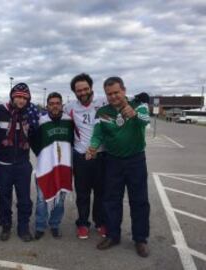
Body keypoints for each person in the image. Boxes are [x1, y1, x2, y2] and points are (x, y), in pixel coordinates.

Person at [87, 76, 150, 257]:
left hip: (136, 160)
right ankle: (113, 235)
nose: (113, 96)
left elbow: (146, 120)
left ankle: (140, 239)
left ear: (124, 90)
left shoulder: (138, 105)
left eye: (116, 92)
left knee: (139, 200)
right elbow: (98, 134)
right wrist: (92, 146)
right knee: (111, 199)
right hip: (113, 161)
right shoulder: (102, 112)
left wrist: (135, 114)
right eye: (109, 94)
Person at [0, 82, 39, 242]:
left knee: (24, 199)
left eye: (24, 98)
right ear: (12, 96)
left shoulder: (30, 115)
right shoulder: (0, 111)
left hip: (22, 165)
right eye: (17, 97)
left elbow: (35, 138)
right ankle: (6, 226)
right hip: (3, 165)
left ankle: (23, 228)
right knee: (4, 198)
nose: (20, 100)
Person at [64, 73, 107, 239]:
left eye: (85, 89)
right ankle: (82, 223)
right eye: (78, 90)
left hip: (102, 156)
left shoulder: (103, 101)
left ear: (91, 88)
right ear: (74, 92)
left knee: (101, 193)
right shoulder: (70, 107)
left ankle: (100, 222)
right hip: (81, 156)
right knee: (82, 193)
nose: (82, 93)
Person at [31, 92, 73, 240]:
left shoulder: (69, 121)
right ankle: (40, 226)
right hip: (45, 167)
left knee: (60, 199)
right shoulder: (40, 122)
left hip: (64, 167)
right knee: (42, 200)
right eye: (52, 103)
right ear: (47, 106)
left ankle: (55, 224)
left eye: (57, 103)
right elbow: (33, 141)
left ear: (61, 105)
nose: (55, 106)